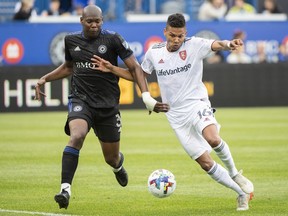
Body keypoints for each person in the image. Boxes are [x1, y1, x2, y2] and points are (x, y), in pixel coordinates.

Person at [91, 13, 254, 211]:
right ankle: (241, 193)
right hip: (175, 115)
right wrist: (112, 69)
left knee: (212, 138)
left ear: (185, 33)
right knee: (205, 163)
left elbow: (217, 45)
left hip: (197, 104)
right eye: (173, 36)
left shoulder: (195, 45)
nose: (177, 40)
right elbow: (139, 75)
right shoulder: (154, 52)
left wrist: (230, 44)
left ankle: (235, 172)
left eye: (180, 36)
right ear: (165, 32)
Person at [34, 5, 169, 210]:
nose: (94, 25)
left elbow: (135, 68)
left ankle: (118, 166)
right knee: (77, 135)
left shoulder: (113, 39)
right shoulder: (71, 40)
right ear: (81, 21)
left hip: (107, 105)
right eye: (90, 21)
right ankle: (65, 190)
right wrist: (45, 78)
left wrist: (147, 97)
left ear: (102, 21)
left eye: (98, 21)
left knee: (111, 158)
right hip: (81, 100)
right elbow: (69, 67)